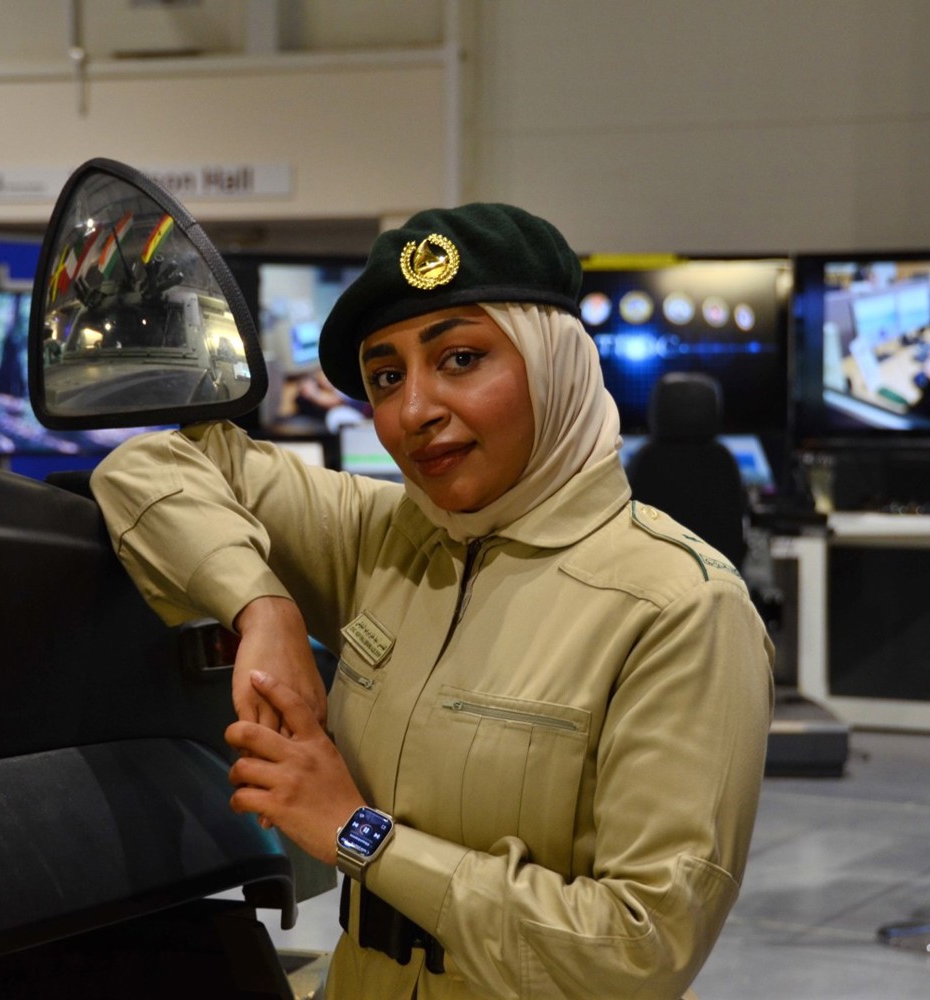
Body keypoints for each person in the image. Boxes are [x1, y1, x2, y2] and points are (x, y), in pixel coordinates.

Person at [91, 203, 774, 1000]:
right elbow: (147, 467)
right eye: (387, 377)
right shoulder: (382, 538)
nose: (414, 410)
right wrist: (263, 608)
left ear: (553, 363)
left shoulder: (679, 608)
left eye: (459, 359)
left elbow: (641, 947)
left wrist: (359, 836)